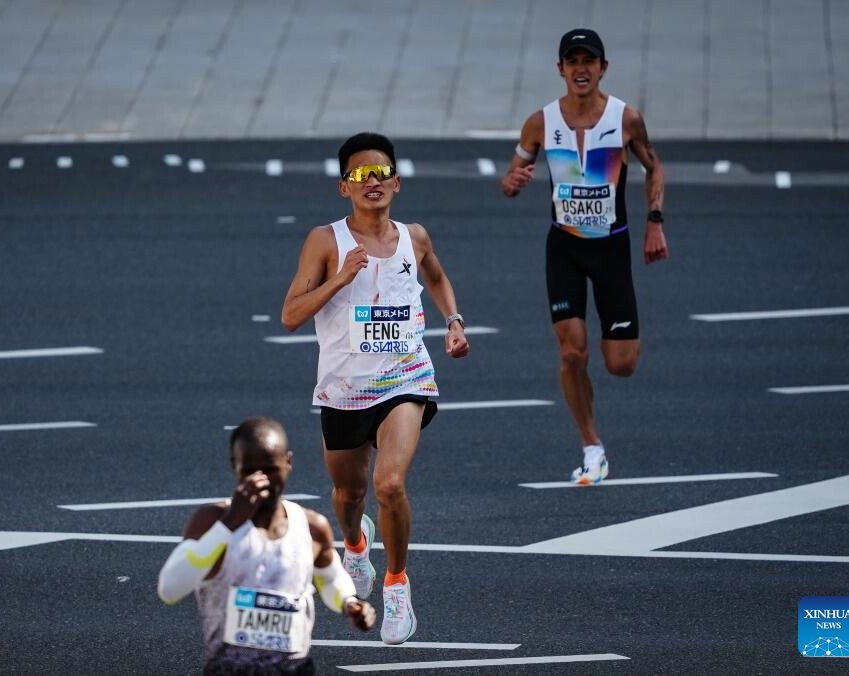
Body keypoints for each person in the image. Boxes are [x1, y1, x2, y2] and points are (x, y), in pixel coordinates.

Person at [280, 132, 469, 644]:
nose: (373, 181)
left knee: (388, 485)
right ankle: (355, 544)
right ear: (344, 187)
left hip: (406, 376)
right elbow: (291, 315)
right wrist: (340, 279)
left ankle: (397, 585)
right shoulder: (326, 241)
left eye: (381, 172)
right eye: (361, 174)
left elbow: (437, 278)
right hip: (344, 387)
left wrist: (453, 321)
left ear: (397, 182)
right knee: (349, 493)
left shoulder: (415, 237)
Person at [501, 28, 668, 485]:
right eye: (572, 61)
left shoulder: (625, 118)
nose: (581, 69)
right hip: (565, 249)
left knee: (621, 364)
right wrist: (512, 183)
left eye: (588, 61)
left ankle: (615, 346)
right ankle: (592, 447)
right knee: (572, 351)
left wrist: (655, 221)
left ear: (602, 68)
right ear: (560, 69)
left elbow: (655, 167)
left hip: (612, 249)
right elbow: (512, 175)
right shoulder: (540, 122)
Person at [157, 417, 376, 675]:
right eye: (249, 471)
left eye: (270, 469)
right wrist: (229, 524)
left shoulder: (311, 527)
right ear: (235, 466)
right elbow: (169, 589)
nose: (260, 480)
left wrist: (349, 602)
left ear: (288, 462)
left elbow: (329, 578)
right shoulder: (211, 522)